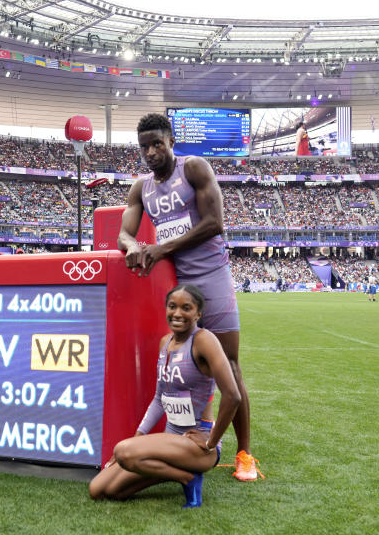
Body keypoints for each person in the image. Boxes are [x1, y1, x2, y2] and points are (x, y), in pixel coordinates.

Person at [117, 112, 259, 482]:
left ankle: (244, 453)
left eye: (156, 144)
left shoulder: (193, 168)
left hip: (212, 277)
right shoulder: (140, 188)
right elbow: (124, 235)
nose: (150, 152)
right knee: (177, 368)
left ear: (170, 142)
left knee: (229, 364)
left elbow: (214, 223)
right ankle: (184, 437)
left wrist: (161, 248)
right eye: (144, 146)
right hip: (177, 286)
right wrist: (133, 245)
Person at [89, 285, 241, 507]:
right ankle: (181, 470)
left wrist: (211, 441)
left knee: (123, 451)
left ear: (198, 313)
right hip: (171, 441)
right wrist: (138, 437)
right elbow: (159, 399)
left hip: (197, 445)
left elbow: (233, 396)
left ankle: (187, 478)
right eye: (172, 307)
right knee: (101, 490)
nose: (177, 313)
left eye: (186, 308)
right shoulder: (165, 343)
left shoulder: (203, 340)